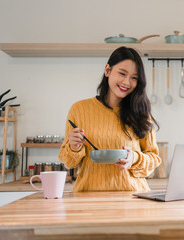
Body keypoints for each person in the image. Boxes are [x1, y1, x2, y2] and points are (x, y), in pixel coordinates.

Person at [58, 46, 161, 192]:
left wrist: (135, 159)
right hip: (88, 199)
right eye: (122, 73)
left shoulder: (141, 113)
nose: (126, 82)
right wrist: (74, 147)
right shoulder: (79, 109)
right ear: (107, 70)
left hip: (133, 200)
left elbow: (154, 159)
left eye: (134, 78)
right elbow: (68, 162)